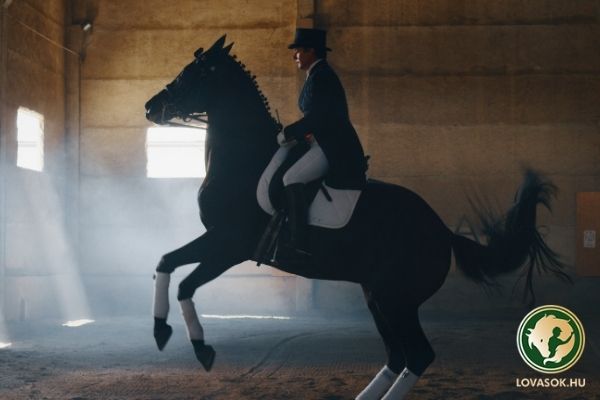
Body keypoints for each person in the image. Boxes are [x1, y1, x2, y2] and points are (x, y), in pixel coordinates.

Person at [280, 28, 367, 260]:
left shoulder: (323, 76)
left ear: (310, 51)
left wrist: (289, 132)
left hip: (333, 147)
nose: (294, 55)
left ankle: (299, 241)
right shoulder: (316, 75)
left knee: (291, 178)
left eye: (298, 50)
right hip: (322, 141)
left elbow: (319, 117)